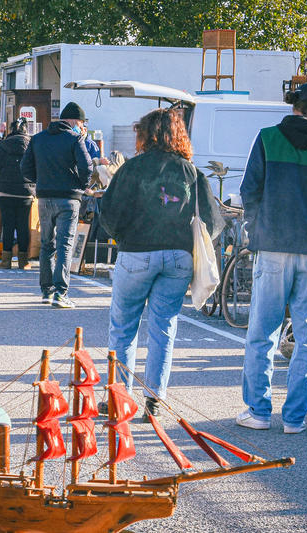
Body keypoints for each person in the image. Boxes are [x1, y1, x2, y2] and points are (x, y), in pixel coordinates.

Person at [237, 83, 307, 434]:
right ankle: (294, 418)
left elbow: (248, 191)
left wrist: (256, 232)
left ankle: (257, 412)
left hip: (271, 248)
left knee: (262, 333)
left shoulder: (268, 138)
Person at [99, 107, 224, 420]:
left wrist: (124, 237)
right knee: (164, 326)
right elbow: (212, 220)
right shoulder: (191, 172)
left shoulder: (132, 169)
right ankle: (155, 398)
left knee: (124, 327)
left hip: (136, 253)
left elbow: (109, 215)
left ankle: (118, 398)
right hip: (179, 256)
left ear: (146, 134)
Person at [21, 101, 93, 308]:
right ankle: (61, 293)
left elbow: (26, 168)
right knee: (64, 244)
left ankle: (46, 290)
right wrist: (80, 185)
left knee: (47, 244)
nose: (81, 126)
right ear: (73, 121)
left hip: (44, 197)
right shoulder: (75, 138)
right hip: (69, 199)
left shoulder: (38, 138)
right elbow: (86, 167)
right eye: (80, 122)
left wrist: (40, 182)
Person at [0, 118, 34, 270]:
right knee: (23, 226)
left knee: (7, 226)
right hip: (26, 193)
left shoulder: (1, 147)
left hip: (5, 192)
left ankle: (6, 260)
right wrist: (33, 187)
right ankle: (23, 260)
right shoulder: (32, 148)